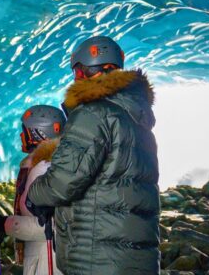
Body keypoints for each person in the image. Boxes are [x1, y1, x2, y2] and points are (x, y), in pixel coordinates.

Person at [25, 36, 160, 274]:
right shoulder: (137, 119)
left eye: (76, 71)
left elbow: (62, 182)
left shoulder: (93, 113)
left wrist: (35, 194)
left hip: (97, 258)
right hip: (139, 257)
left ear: (83, 72)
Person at [0, 105, 66, 275]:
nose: (21, 135)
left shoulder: (45, 170)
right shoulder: (51, 166)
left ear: (38, 133)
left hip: (49, 262)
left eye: (25, 131)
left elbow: (50, 227)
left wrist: (5, 225)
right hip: (46, 258)